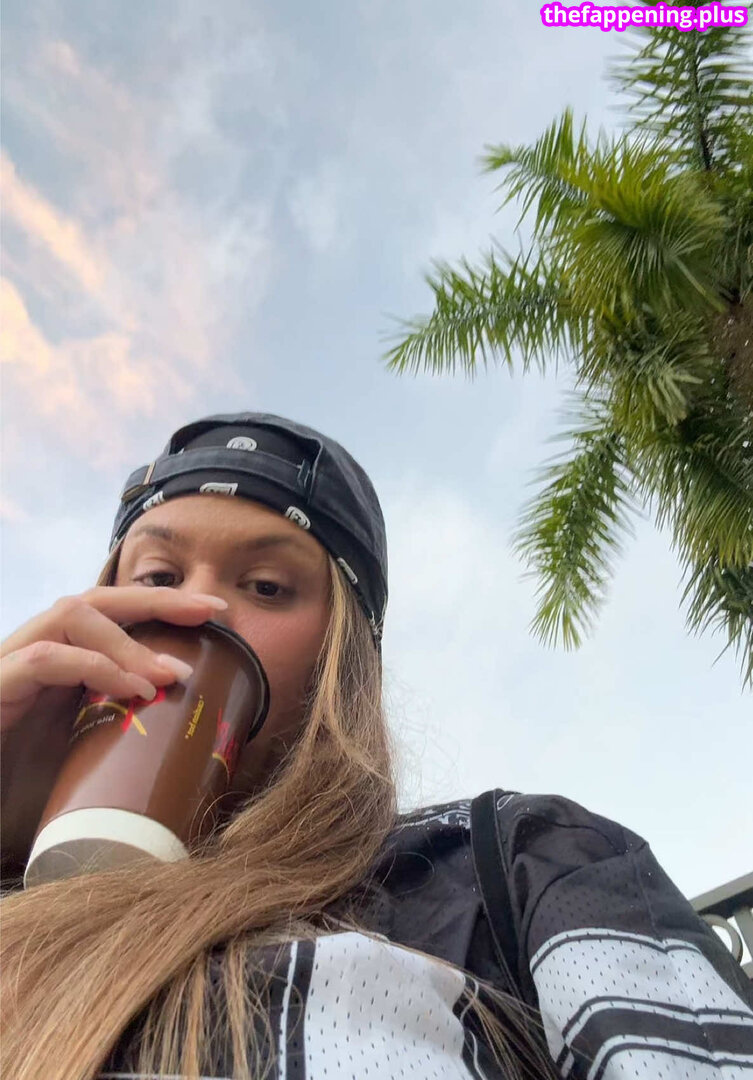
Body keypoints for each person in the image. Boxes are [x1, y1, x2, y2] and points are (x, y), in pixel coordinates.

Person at [1, 411, 751, 1080]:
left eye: (266, 586)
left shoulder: (519, 863)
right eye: (159, 576)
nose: (197, 610)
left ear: (343, 660)